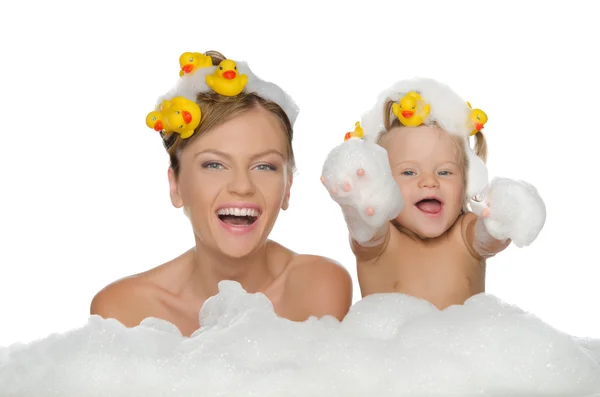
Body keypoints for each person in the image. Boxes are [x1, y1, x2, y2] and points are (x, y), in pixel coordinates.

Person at [91, 50, 353, 336]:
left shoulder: (319, 288)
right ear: (175, 185)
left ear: (287, 187)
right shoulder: (122, 313)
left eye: (264, 166)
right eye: (214, 164)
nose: (242, 186)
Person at [321, 77, 546, 310]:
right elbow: (366, 230)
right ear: (383, 182)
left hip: (468, 345)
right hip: (389, 346)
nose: (429, 181)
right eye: (409, 172)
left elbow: (488, 239)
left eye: (445, 172)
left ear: (466, 183)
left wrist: (505, 216)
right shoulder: (382, 241)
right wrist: (357, 203)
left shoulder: (465, 233)